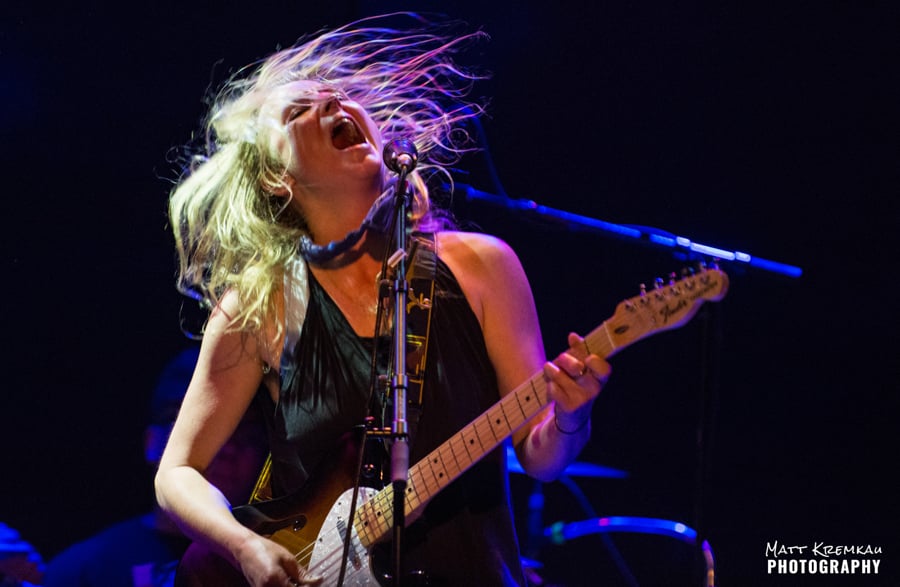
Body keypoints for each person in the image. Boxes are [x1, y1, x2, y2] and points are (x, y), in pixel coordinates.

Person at [154, 13, 611, 587]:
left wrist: (571, 416)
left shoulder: (482, 266)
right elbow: (176, 473)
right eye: (299, 111)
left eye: (340, 98)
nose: (334, 107)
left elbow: (542, 459)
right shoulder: (260, 308)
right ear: (277, 179)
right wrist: (246, 547)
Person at [43, 347, 268, 587]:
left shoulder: (287, 553)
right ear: (152, 443)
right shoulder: (81, 571)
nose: (228, 447)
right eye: (203, 427)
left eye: (245, 429)